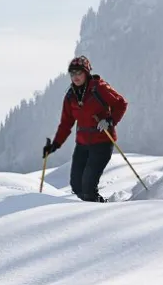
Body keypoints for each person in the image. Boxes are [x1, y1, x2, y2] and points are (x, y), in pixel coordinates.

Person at [43, 56, 129, 202]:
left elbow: (121, 104)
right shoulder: (71, 96)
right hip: (82, 144)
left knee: (88, 187)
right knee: (77, 186)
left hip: (102, 142)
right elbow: (66, 123)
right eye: (72, 74)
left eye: (79, 73)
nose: (75, 77)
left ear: (86, 73)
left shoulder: (99, 88)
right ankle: (92, 208)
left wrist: (109, 121)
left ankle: (99, 211)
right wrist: (54, 145)